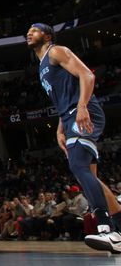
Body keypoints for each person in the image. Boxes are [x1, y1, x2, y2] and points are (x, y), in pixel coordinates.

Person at [27, 23, 121, 252]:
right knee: (89, 176)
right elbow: (63, 98)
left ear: (47, 35)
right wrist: (60, 128)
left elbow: (87, 75)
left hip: (83, 112)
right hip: (68, 117)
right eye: (28, 30)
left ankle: (108, 231)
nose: (29, 33)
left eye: (35, 30)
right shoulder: (41, 66)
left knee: (78, 166)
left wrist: (81, 107)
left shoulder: (56, 51)